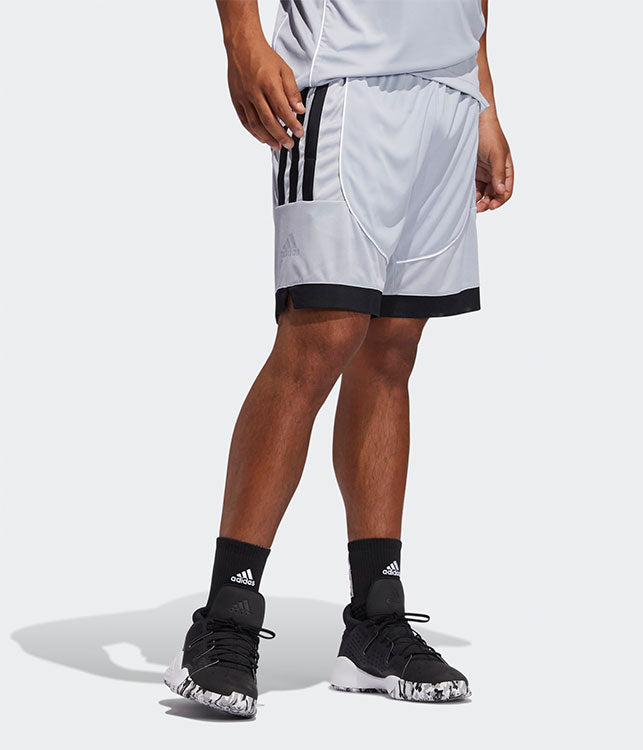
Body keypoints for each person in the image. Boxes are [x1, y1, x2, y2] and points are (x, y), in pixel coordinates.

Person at [164, 0, 513, 717]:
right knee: (318, 340)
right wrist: (242, 39)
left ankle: (376, 621)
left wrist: (484, 96)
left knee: (391, 352)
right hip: (343, 77)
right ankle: (226, 616)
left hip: (447, 90)